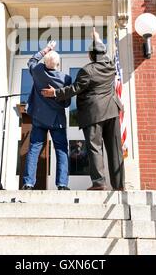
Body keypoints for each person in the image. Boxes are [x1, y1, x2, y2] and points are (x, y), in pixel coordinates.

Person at [41, 28, 125, 191]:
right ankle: (119, 185)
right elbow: (102, 53)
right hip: (112, 111)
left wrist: (55, 93)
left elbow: (74, 89)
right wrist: (97, 38)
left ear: (91, 56)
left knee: (95, 147)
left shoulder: (88, 70)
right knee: (115, 149)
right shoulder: (109, 65)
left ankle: (99, 183)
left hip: (94, 113)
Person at [22, 40, 72, 191]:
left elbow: (31, 60)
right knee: (61, 151)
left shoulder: (38, 71)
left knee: (34, 149)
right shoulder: (66, 79)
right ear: (58, 64)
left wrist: (47, 49)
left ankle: (29, 183)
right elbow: (67, 104)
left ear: (45, 63)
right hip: (57, 121)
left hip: (39, 118)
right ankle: (62, 184)